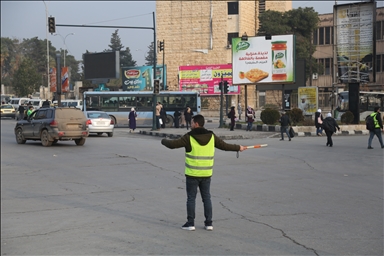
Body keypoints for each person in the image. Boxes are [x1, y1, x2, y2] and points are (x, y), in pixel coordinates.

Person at [160, 114, 247, 231]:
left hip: (192, 174)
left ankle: (190, 223)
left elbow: (173, 145)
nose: (190, 125)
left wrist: (163, 141)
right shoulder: (211, 136)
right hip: (206, 174)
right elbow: (224, 146)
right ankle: (208, 223)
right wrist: (238, 147)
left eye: (191, 123)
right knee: (206, 198)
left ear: (196, 124)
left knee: (191, 198)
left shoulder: (189, 137)